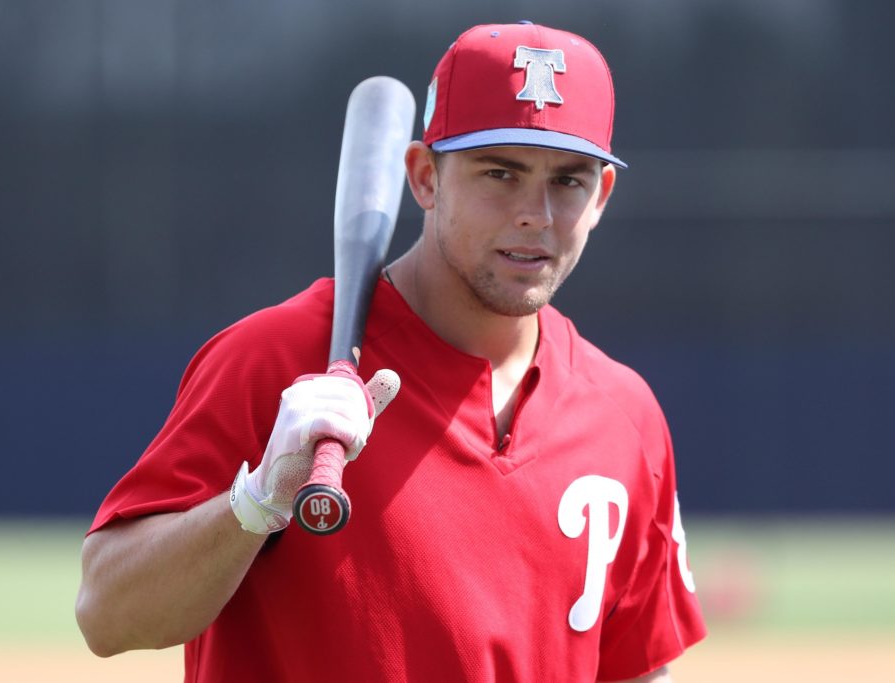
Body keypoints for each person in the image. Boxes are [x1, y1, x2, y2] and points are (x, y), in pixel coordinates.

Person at [75, 21, 706, 682]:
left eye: (568, 181)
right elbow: (107, 614)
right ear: (425, 178)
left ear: (601, 196)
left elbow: (636, 668)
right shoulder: (278, 360)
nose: (536, 214)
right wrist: (258, 500)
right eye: (501, 173)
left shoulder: (624, 415)